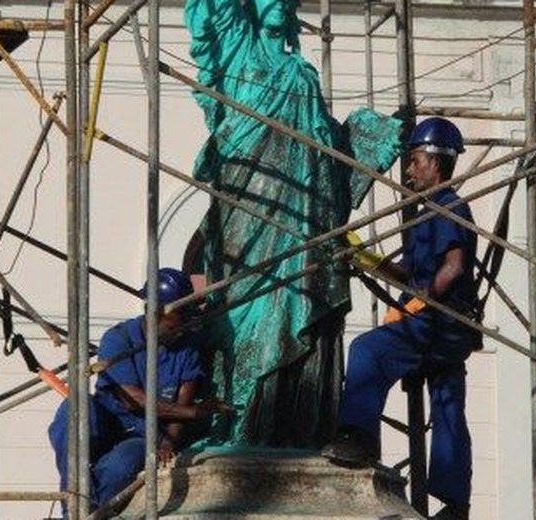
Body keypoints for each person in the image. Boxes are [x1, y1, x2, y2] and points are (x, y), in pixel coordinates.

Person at [184, 0, 401, 447]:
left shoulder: (303, 73)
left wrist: (365, 138)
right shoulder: (239, 53)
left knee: (296, 299)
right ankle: (240, 416)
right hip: (249, 205)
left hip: (302, 216)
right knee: (246, 310)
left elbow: (323, 150)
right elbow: (213, 15)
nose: (277, 5)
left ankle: (289, 422)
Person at [322, 118, 481, 520]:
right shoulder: (424, 214)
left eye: (414, 161)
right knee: (447, 404)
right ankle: (454, 502)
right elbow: (409, 273)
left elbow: (455, 265)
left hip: (442, 322)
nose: (408, 171)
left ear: (435, 161)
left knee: (368, 350)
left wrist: (420, 302)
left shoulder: (449, 206)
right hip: (442, 326)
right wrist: (367, 261)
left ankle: (358, 438)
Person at [47, 268, 232, 514]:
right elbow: (134, 400)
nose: (185, 325)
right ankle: (73, 504)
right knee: (74, 410)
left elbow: (181, 403)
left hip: (142, 434)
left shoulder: (188, 347)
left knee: (123, 466)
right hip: (106, 421)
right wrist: (196, 412)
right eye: (178, 317)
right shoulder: (118, 338)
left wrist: (170, 440)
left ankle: (90, 512)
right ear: (155, 313)